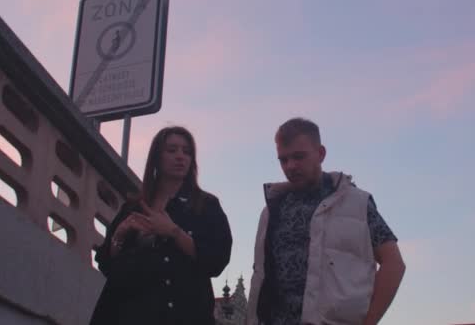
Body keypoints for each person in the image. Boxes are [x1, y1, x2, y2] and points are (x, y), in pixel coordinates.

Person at [247, 118, 405, 325]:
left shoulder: (356, 202)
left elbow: (394, 263)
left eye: (299, 157)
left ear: (321, 154)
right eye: (283, 160)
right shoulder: (270, 212)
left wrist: (369, 322)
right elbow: (261, 277)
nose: (291, 166)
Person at [90, 126, 233, 325]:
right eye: (172, 150)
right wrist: (119, 236)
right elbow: (107, 265)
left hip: (184, 315)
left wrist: (174, 233)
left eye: (186, 151)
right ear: (157, 157)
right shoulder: (134, 206)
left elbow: (217, 260)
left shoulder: (206, 205)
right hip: (128, 314)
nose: (180, 156)